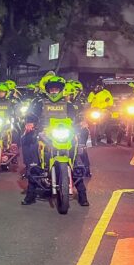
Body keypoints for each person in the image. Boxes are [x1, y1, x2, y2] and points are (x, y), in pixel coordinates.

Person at [22, 76, 89, 207]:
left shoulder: (69, 105)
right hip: (45, 134)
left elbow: (78, 116)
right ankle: (30, 195)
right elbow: (31, 115)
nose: (54, 91)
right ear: (47, 90)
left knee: (75, 161)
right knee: (34, 163)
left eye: (56, 89)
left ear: (61, 90)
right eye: (51, 89)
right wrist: (30, 123)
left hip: (65, 135)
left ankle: (82, 196)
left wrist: (82, 122)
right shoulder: (40, 103)